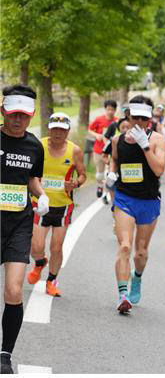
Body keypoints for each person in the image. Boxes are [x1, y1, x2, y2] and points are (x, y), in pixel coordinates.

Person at [0, 85, 48, 374]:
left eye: (25, 116)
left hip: (18, 223)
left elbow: (32, 178)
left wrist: (41, 195)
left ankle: (5, 354)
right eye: (14, 114)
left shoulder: (34, 146)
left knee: (14, 289)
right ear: (4, 110)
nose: (19, 120)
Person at [107, 96, 165, 313]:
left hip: (149, 201)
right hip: (125, 198)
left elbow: (159, 170)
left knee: (140, 252)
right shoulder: (117, 141)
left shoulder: (157, 140)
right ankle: (123, 294)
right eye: (136, 118)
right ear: (128, 117)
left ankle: (137, 278)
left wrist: (145, 147)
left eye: (144, 119)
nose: (140, 122)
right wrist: (112, 173)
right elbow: (114, 159)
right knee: (124, 245)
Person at [27, 113, 87, 297]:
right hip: (40, 202)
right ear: (49, 129)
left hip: (63, 206)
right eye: (55, 129)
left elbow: (82, 175)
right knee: (36, 246)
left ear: (68, 130)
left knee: (56, 247)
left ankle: (51, 281)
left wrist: (76, 183)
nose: (58, 133)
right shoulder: (39, 145)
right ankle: (39, 263)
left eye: (62, 129)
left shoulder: (75, 151)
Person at [88, 99, 117, 202]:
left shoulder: (117, 121)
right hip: (99, 150)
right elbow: (89, 129)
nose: (110, 111)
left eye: (112, 109)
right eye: (108, 109)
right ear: (105, 109)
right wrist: (97, 135)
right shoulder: (99, 119)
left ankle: (106, 194)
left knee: (109, 173)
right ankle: (100, 185)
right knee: (100, 174)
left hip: (112, 151)